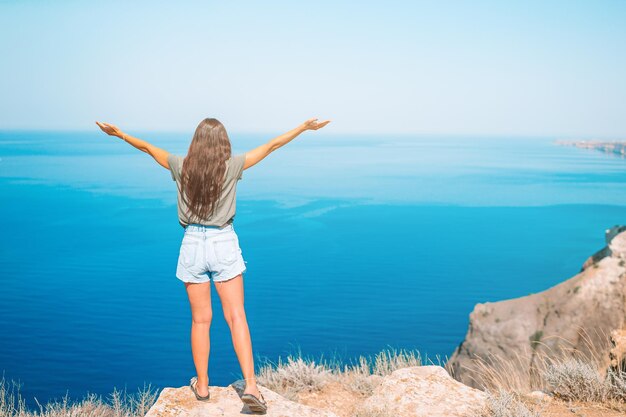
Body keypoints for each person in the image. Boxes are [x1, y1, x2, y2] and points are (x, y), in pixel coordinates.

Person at [95, 117, 330, 413]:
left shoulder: (180, 165)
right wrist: (303, 128)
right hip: (224, 242)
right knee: (236, 317)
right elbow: (271, 146)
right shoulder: (232, 166)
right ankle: (252, 388)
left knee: (200, 321)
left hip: (192, 243)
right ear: (223, 143)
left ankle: (202, 385)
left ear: (196, 142)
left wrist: (118, 134)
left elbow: (146, 148)